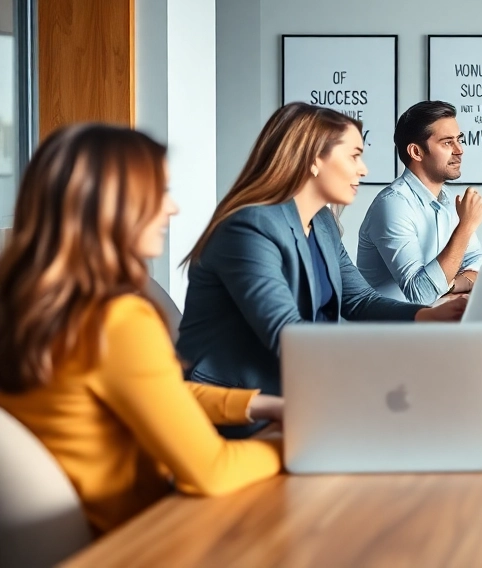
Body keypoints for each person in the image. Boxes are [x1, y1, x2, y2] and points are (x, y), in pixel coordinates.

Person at [0, 125, 282, 534]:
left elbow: (141, 392)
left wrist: (258, 406)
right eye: (160, 192)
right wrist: (295, 442)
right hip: (143, 535)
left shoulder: (29, 303)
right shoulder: (116, 319)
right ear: (110, 204)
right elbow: (213, 472)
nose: (172, 209)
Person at [177, 104, 465, 401]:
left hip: (298, 385)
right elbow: (287, 336)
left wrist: (427, 316)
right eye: (354, 156)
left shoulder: (322, 221)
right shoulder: (250, 228)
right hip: (238, 400)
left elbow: (359, 300)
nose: (363, 169)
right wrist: (380, 362)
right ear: (314, 161)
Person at [357, 101, 482, 305]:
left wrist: (451, 284)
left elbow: (479, 262)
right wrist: (466, 226)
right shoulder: (393, 205)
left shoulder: (445, 197)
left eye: (459, 140)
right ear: (416, 152)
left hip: (432, 322)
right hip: (389, 331)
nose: (459, 150)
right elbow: (421, 294)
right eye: (447, 142)